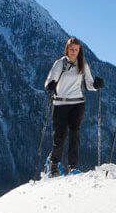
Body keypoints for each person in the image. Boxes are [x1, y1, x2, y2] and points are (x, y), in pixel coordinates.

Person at [44, 37, 104, 176]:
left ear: (79, 51)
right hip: (60, 103)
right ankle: (54, 164)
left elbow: (89, 84)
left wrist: (96, 85)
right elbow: (48, 81)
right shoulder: (60, 64)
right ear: (67, 49)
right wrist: (50, 86)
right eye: (71, 49)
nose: (73, 52)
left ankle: (72, 166)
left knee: (75, 134)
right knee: (60, 135)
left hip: (77, 103)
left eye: (76, 50)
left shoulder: (83, 64)